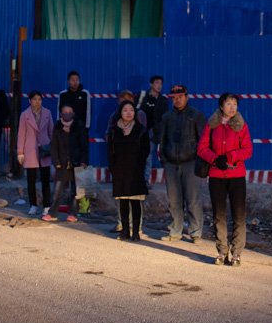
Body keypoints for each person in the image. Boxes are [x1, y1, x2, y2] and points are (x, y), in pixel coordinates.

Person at [197, 93, 253, 266]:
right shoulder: (211, 125)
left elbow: (248, 150)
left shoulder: (241, 126)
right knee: (219, 215)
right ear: (221, 106)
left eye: (235, 104)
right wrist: (215, 159)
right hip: (216, 175)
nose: (232, 107)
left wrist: (230, 156)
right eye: (228, 104)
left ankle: (236, 253)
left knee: (239, 215)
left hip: (236, 175)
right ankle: (222, 251)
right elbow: (201, 148)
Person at [159, 84, 206, 242]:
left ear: (187, 97)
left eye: (180, 97)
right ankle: (175, 231)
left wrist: (200, 162)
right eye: (174, 98)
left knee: (193, 199)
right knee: (173, 200)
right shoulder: (167, 117)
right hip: (171, 164)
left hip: (191, 163)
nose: (177, 100)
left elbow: (203, 141)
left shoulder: (196, 116)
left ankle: (195, 232)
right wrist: (165, 160)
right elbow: (162, 140)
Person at [108, 100, 150, 242]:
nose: (128, 113)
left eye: (131, 110)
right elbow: (110, 151)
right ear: (120, 112)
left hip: (136, 170)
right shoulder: (114, 130)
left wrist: (140, 166)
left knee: (135, 202)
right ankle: (125, 231)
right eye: (125, 110)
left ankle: (136, 232)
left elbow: (146, 150)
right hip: (120, 170)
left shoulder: (141, 129)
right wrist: (113, 168)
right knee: (123, 202)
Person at [44, 105, 88, 222]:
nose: (67, 114)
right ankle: (52, 213)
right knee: (57, 191)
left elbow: (84, 145)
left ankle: (73, 214)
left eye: (70, 112)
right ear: (61, 114)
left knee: (75, 191)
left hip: (76, 162)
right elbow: (54, 146)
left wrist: (84, 161)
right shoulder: (58, 126)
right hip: (62, 164)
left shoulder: (78, 126)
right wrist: (56, 161)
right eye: (65, 112)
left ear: (73, 113)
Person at [17, 90, 53, 215]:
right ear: (30, 101)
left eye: (39, 99)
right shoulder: (24, 115)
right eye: (34, 99)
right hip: (30, 150)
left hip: (44, 150)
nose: (37, 102)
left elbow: (51, 132)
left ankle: (47, 206)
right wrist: (20, 152)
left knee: (45, 180)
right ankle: (33, 204)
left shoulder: (47, 113)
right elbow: (21, 134)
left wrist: (53, 148)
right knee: (31, 180)